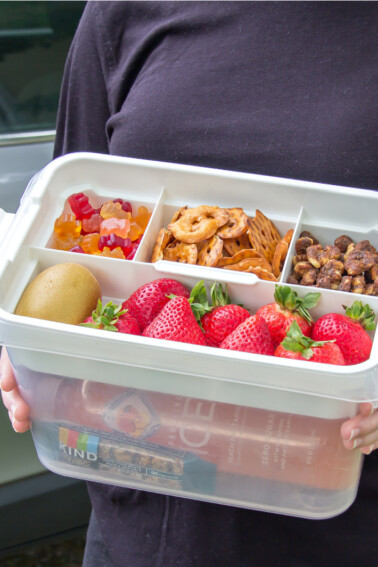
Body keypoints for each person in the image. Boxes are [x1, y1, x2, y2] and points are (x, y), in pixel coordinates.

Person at [1, 2, 377, 566]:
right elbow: (63, 225)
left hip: (326, 516)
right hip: (141, 513)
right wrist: (25, 341)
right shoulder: (122, 12)